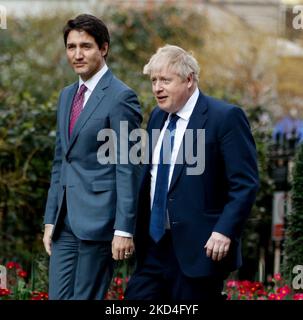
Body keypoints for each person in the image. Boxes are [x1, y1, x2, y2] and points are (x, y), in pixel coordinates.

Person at [125, 45, 259, 300]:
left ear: (189, 80)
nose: (157, 88)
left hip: (199, 251)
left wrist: (224, 230)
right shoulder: (157, 117)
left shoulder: (225, 117)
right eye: (154, 80)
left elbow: (245, 183)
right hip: (153, 247)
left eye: (165, 80)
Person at [43, 14, 142, 300]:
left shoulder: (122, 97)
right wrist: (51, 219)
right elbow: (61, 160)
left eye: (85, 46)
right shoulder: (66, 96)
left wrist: (124, 228)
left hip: (100, 221)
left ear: (104, 48)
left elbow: (129, 165)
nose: (77, 54)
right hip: (64, 223)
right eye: (71, 47)